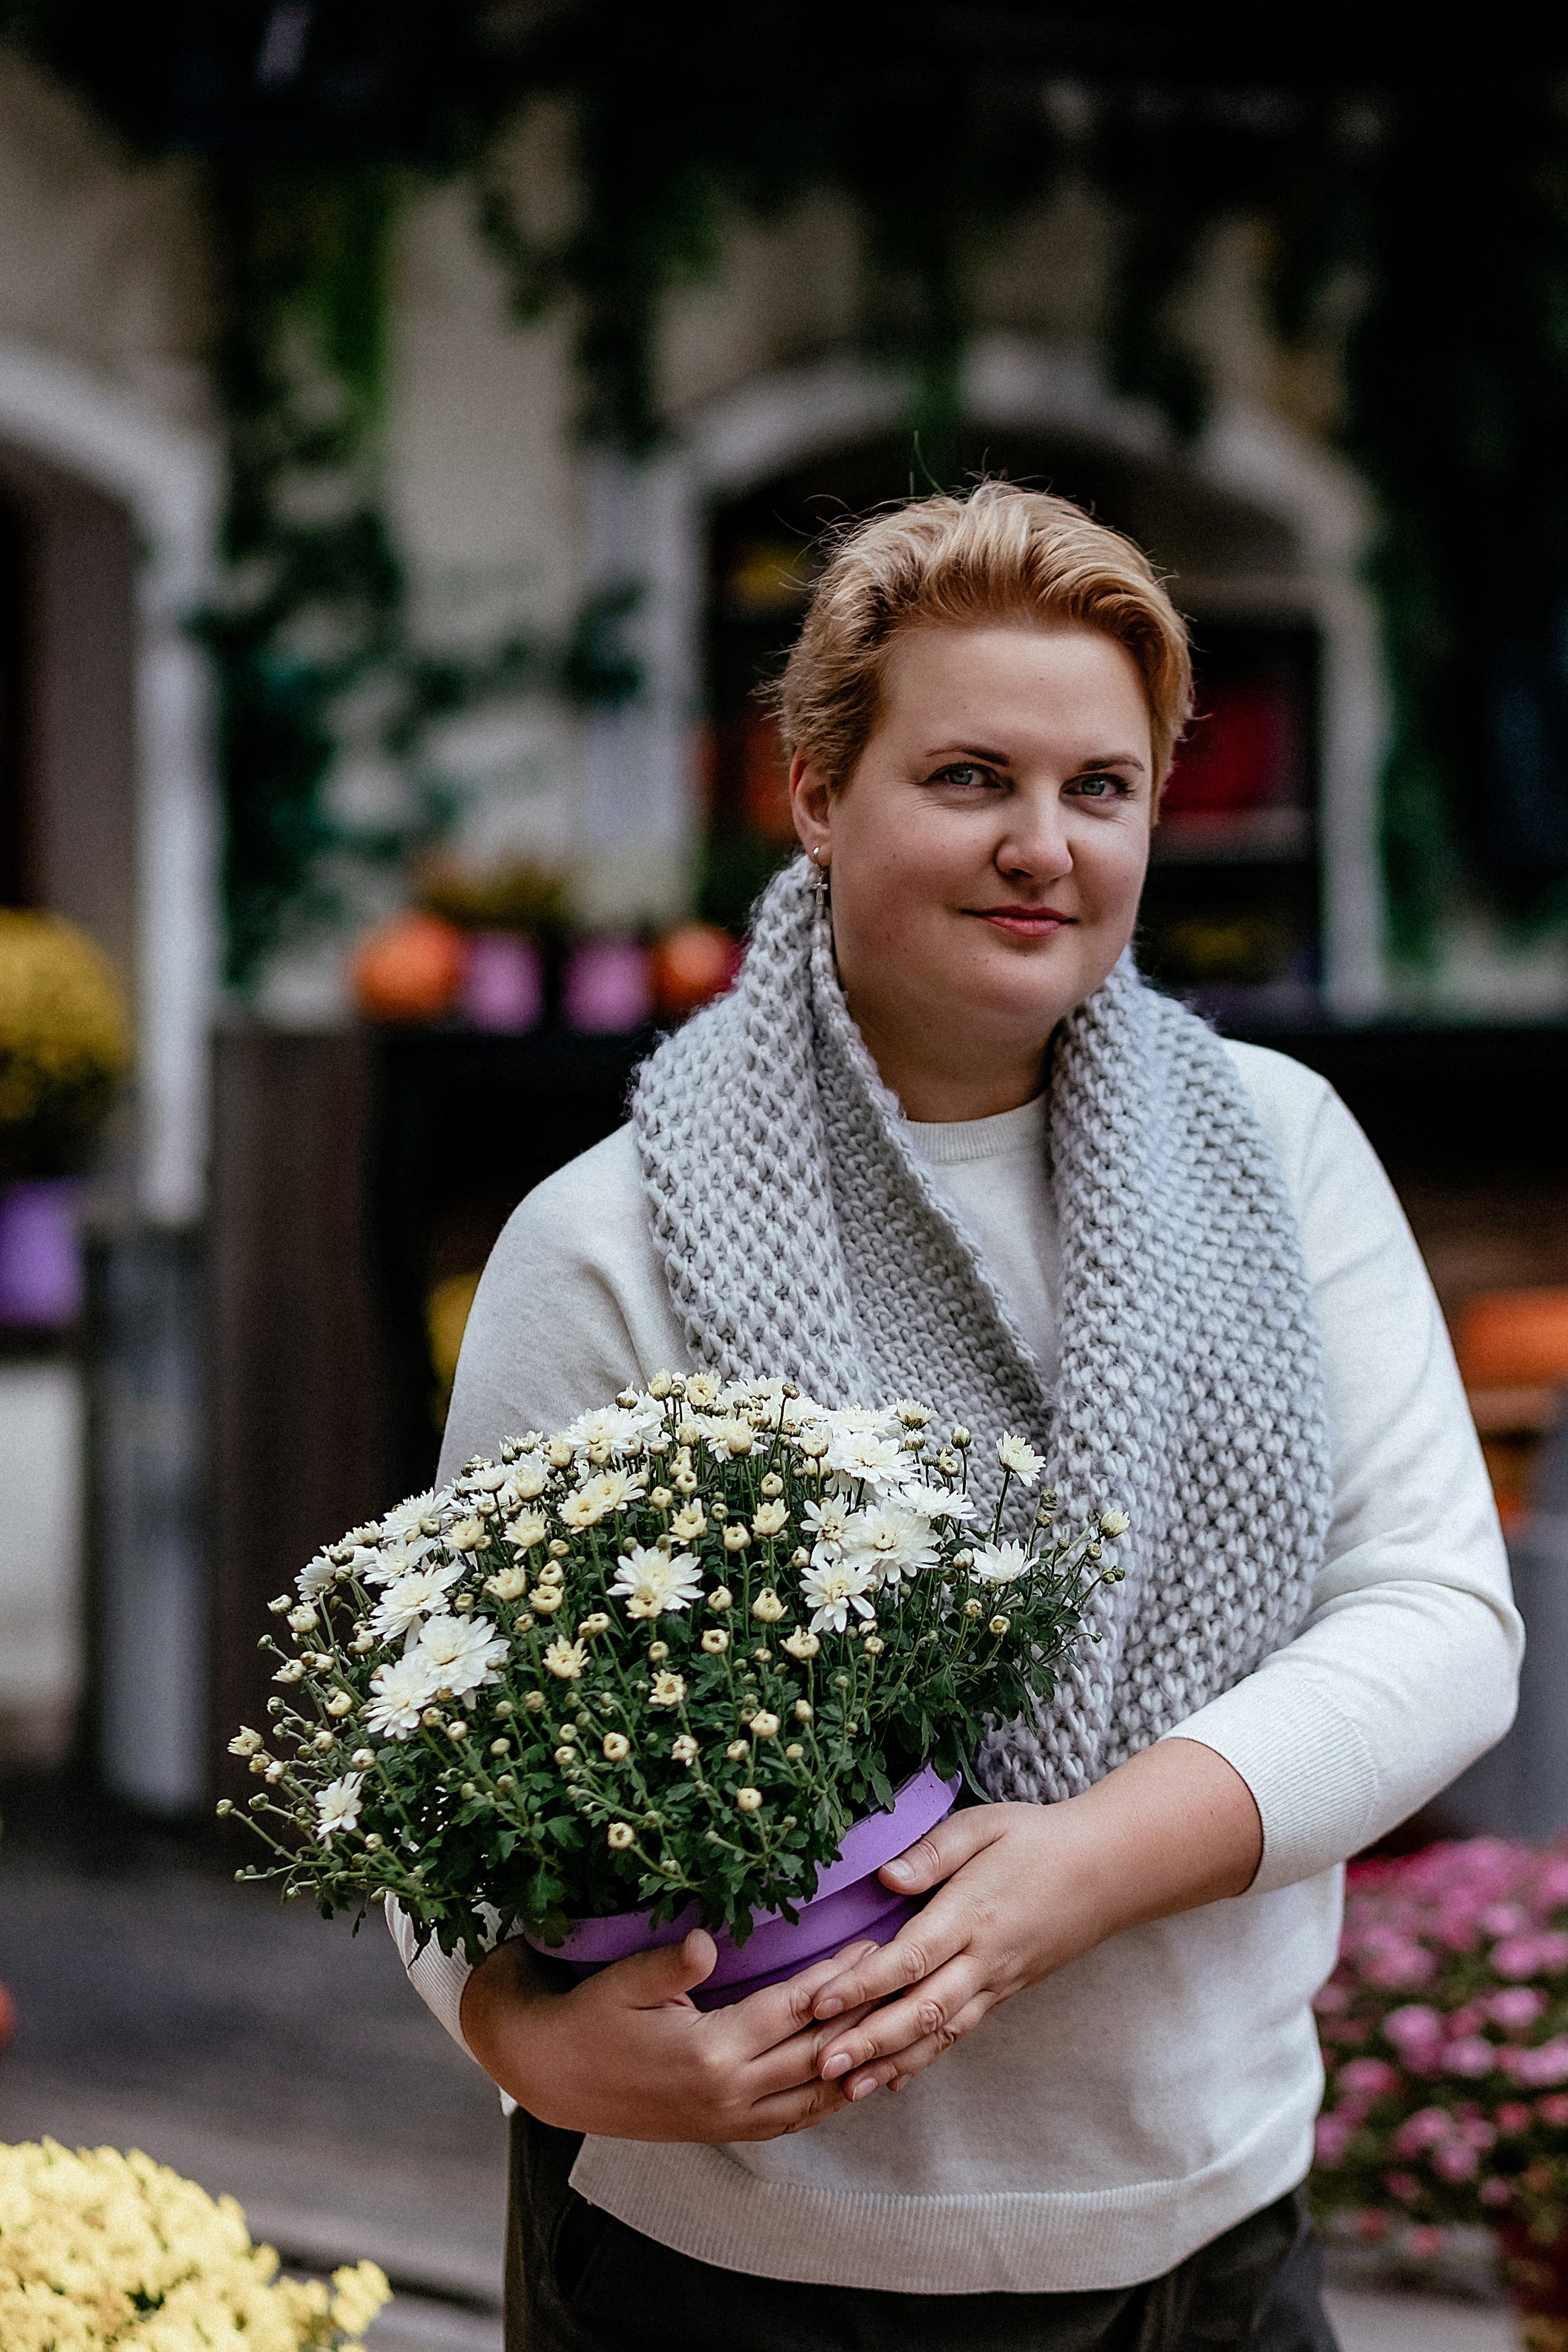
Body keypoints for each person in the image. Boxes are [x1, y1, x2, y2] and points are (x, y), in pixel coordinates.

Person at [392, 482, 1520, 2351]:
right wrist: (527, 2042)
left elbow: (1440, 1625)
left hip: (1206, 2245)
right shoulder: (605, 1242)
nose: (1041, 848)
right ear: (818, 793)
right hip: (740, 2273)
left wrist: (1076, 1868)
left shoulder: (1285, 1153)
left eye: (1102, 788)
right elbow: (450, 1745)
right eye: (969, 777)